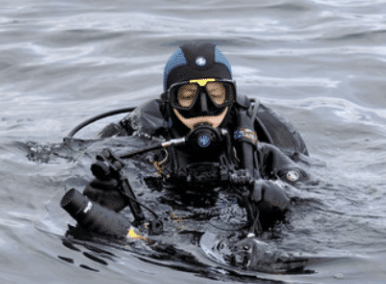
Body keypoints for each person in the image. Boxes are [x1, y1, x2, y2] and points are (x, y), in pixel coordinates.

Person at [79, 42, 310, 236]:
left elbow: (312, 201)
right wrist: (105, 206)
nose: (204, 108)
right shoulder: (144, 146)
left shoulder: (262, 152)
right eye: (187, 96)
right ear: (168, 101)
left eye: (216, 94)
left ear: (230, 97)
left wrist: (280, 204)